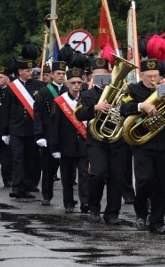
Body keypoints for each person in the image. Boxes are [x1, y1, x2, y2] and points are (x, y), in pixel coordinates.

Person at [119, 58, 165, 234]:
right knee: (146, 180)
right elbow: (122, 108)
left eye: (156, 76)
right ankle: (141, 213)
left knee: (163, 185)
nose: (153, 80)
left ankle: (157, 221)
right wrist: (141, 106)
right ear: (141, 75)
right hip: (143, 142)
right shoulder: (132, 89)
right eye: (149, 76)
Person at [76, 57, 127, 223]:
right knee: (97, 174)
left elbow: (129, 110)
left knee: (117, 177)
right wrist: (95, 108)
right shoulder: (86, 94)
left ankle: (112, 213)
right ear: (92, 77)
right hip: (97, 141)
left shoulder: (121, 92)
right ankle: (94, 207)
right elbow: (79, 114)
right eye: (97, 75)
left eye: (104, 75)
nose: (101, 78)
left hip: (117, 140)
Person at [2, 57, 44, 199]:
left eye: (31, 70)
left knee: (30, 159)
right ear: (20, 71)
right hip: (16, 129)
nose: (31, 72)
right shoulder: (12, 87)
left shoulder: (38, 85)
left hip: (32, 129)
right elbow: (6, 110)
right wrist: (5, 131)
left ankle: (27, 186)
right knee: (17, 158)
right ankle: (17, 187)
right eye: (27, 70)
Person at [47, 68, 89, 213]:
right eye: (73, 82)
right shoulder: (60, 102)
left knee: (84, 175)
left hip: (84, 143)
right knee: (67, 177)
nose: (77, 85)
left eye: (79, 82)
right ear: (68, 83)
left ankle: (85, 203)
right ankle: (69, 203)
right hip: (66, 145)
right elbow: (54, 125)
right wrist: (54, 147)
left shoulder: (86, 99)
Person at [34, 60, 67, 206]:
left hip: (65, 135)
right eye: (58, 73)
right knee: (48, 168)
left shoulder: (68, 91)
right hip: (48, 135)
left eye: (63, 73)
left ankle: (69, 199)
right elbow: (38, 115)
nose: (61, 76)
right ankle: (47, 195)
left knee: (65, 168)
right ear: (52, 75)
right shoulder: (44, 91)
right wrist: (39, 135)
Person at [0, 65, 14, 188]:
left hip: (7, 130)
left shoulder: (12, 92)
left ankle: (8, 179)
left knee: (7, 157)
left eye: (1, 77)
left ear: (7, 79)